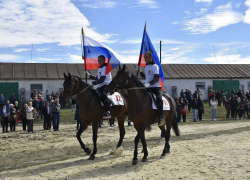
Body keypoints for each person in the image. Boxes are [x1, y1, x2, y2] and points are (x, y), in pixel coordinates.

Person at [138, 51, 164, 126]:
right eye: (144, 57)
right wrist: (140, 72)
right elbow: (147, 78)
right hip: (148, 88)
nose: (145, 59)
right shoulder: (146, 67)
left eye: (146, 57)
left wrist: (149, 83)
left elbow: (156, 78)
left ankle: (161, 117)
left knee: (159, 99)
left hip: (155, 88)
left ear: (150, 57)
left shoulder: (155, 66)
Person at [86, 55, 112, 119]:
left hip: (106, 85)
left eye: (100, 60)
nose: (99, 62)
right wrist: (89, 76)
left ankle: (108, 111)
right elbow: (98, 78)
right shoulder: (100, 68)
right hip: (100, 85)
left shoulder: (105, 67)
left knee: (103, 95)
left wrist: (92, 83)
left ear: (104, 60)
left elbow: (102, 80)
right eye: (98, 60)